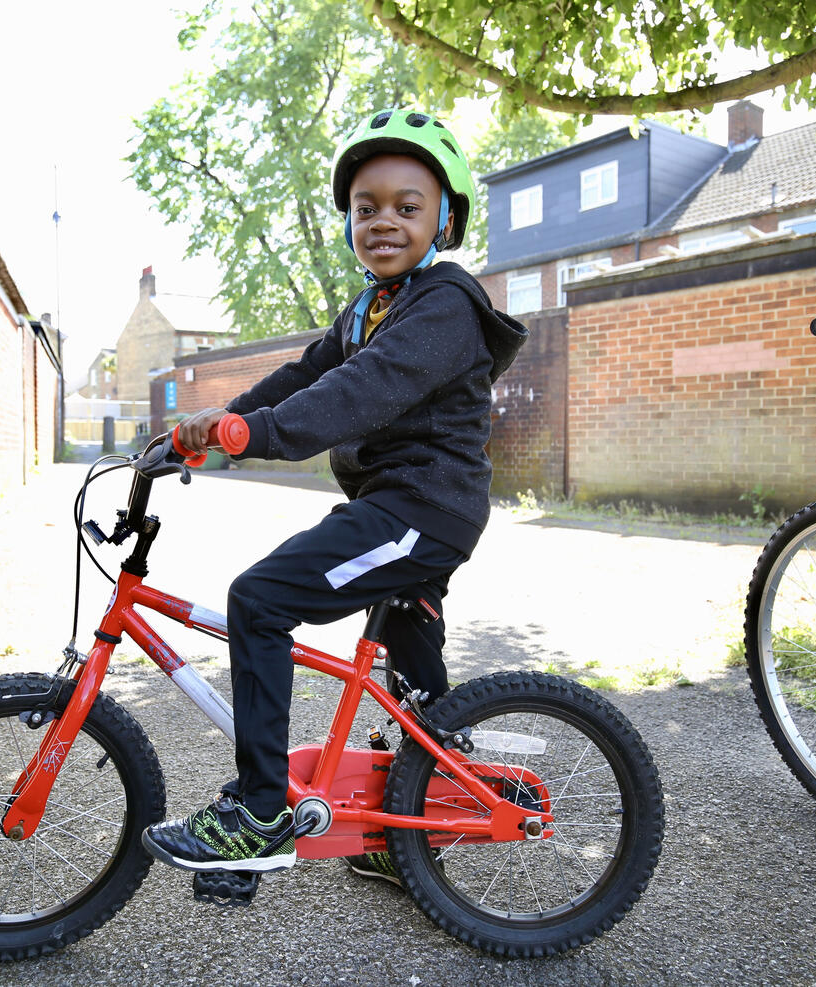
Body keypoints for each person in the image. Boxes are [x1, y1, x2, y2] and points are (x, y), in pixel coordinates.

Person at [141, 109, 527, 880]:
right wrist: (214, 424)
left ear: (445, 217)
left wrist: (260, 435)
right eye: (365, 207)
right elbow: (302, 375)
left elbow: (359, 391)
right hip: (406, 506)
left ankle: (258, 812)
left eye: (407, 206)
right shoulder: (368, 308)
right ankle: (414, 825)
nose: (383, 221)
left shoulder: (444, 303)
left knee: (261, 599)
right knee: (411, 662)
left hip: (421, 508)